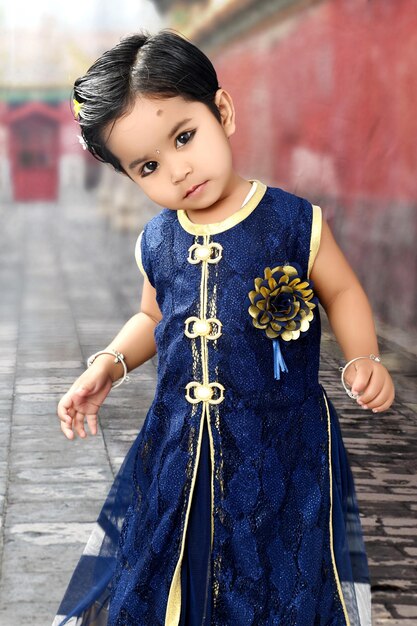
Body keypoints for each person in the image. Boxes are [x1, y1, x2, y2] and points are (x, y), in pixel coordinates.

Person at [54, 29, 395, 626]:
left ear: (223, 112)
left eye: (185, 137)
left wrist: (361, 357)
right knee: (179, 567)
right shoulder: (159, 240)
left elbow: (340, 289)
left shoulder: (291, 221)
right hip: (181, 444)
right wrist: (108, 363)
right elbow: (152, 316)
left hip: (278, 444)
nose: (178, 171)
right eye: (150, 166)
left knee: (272, 570)